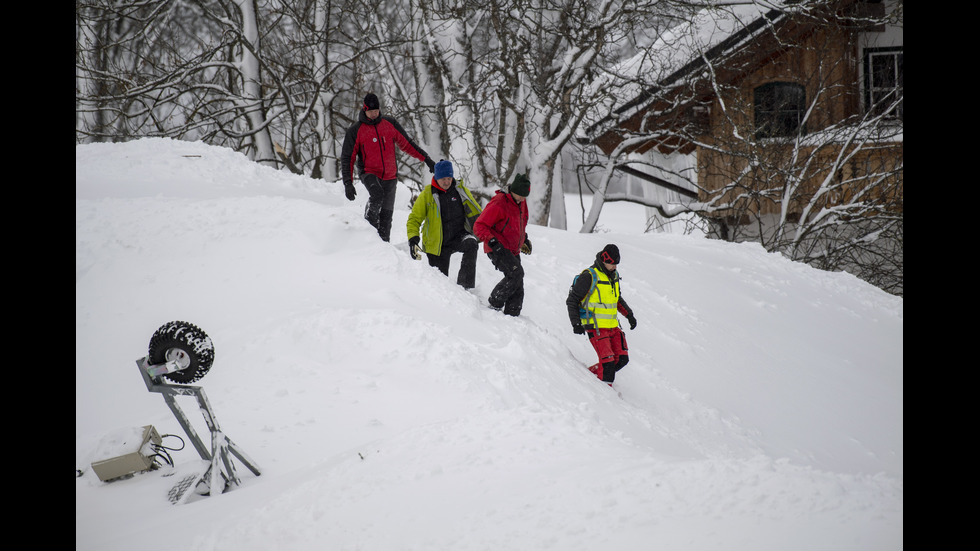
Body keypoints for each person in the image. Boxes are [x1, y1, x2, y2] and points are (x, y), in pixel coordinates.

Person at [340, 92, 436, 242]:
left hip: (390, 177)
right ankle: (367, 232)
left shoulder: (389, 124)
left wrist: (427, 159)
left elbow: (407, 144)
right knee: (377, 195)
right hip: (369, 173)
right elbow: (347, 158)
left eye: (376, 111)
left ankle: (383, 249)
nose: (374, 114)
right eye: (370, 111)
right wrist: (348, 183)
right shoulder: (356, 131)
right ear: (364, 110)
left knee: (386, 219)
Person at [565, 244, 637, 385]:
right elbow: (572, 300)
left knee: (622, 359)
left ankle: (589, 376)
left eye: (617, 264)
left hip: (613, 326)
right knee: (608, 365)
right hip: (596, 327)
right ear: (604, 259)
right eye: (612, 263)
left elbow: (616, 299)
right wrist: (576, 323)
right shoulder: (589, 276)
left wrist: (629, 315)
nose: (615, 267)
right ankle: (605, 398)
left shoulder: (614, 276)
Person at [406, 160, 483, 289]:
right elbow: (414, 219)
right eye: (443, 179)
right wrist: (413, 239)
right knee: (440, 284)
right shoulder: (427, 194)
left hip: (458, 236)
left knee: (471, 243)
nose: (447, 182)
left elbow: (476, 211)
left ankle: (464, 287)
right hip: (437, 243)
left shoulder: (460, 191)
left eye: (449, 178)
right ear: (436, 178)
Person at [473, 173, 533, 316]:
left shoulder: (521, 203)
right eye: (520, 195)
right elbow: (479, 226)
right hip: (497, 247)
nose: (522, 199)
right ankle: (495, 303)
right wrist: (493, 242)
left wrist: (524, 239)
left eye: (525, 196)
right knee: (516, 273)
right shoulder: (499, 202)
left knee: (518, 282)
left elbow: (520, 224)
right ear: (512, 190)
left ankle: (512, 315)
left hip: (513, 249)